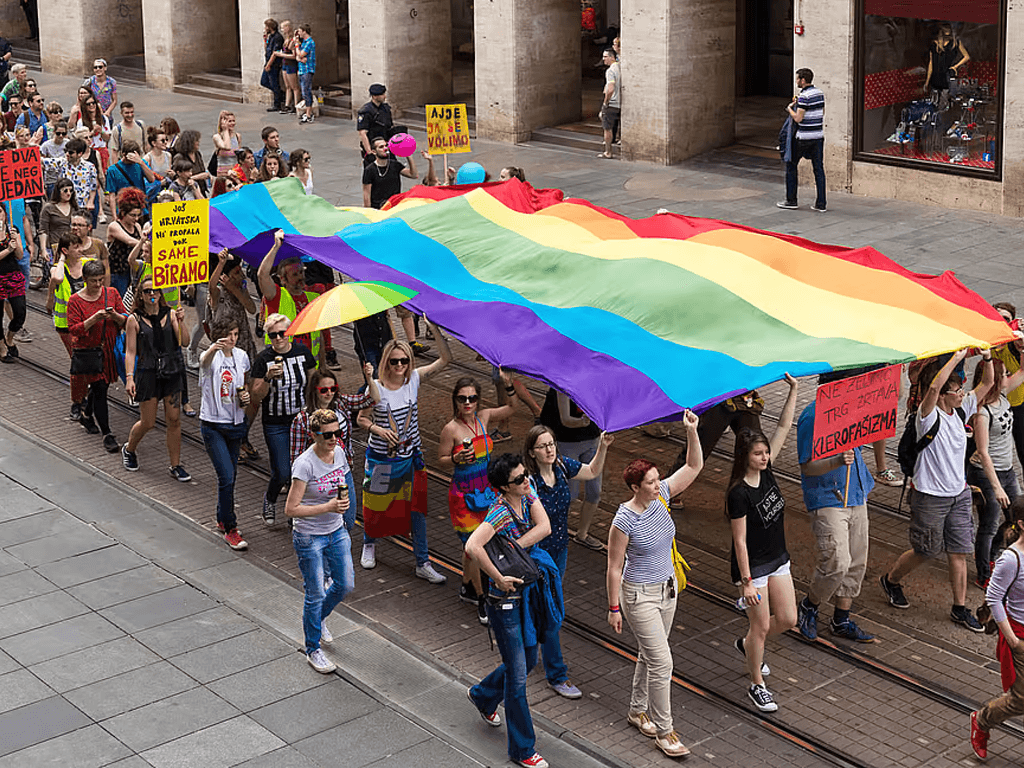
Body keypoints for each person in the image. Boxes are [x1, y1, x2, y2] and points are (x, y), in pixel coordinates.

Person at [606, 413, 701, 759]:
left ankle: (636, 710)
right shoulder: (624, 520)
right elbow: (614, 566)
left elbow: (693, 467)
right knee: (663, 663)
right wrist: (614, 606)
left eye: (658, 479)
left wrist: (691, 432)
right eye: (650, 482)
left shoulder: (662, 497)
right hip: (639, 596)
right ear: (635, 487)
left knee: (650, 656)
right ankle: (665, 731)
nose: (658, 485)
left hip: (667, 590)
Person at [880, 350, 994, 631]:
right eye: (956, 390)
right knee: (926, 550)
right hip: (929, 495)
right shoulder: (927, 417)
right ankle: (891, 580)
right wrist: (956, 357)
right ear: (942, 395)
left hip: (959, 494)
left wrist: (988, 359)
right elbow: (931, 387)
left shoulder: (960, 411)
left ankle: (959, 607)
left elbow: (988, 384)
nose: (962, 394)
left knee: (959, 551)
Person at [465, 453, 559, 768]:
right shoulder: (500, 513)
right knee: (518, 674)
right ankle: (522, 749)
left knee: (528, 658)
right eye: (519, 479)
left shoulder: (527, 493)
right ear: (504, 488)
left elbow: (545, 526)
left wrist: (516, 549)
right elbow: (472, 546)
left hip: (526, 593)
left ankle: (482, 695)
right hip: (505, 601)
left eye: (525, 474)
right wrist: (498, 576)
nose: (526, 481)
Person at [727, 374, 799, 713]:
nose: (765, 457)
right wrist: (745, 583)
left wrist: (794, 391)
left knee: (787, 619)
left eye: (766, 453)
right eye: (758, 454)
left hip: (777, 558)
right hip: (753, 567)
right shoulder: (739, 493)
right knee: (762, 625)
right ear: (745, 457)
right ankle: (757, 683)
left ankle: (747, 645)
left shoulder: (768, 473)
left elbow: (784, 428)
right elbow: (739, 541)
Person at [525, 424, 612, 698]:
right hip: (537, 554)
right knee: (551, 614)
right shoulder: (528, 481)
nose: (550, 449)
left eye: (551, 444)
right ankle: (557, 674)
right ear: (532, 452)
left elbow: (592, 471)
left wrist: (604, 447)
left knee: (544, 608)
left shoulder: (562, 466)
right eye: (543, 446)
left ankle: (529, 649)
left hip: (559, 551)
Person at [356, 331, 451, 579]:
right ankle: (369, 543)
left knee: (417, 511)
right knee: (376, 504)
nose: (399, 366)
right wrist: (379, 429)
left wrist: (436, 329)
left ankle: (423, 562)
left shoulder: (414, 380)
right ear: (385, 362)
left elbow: (445, 359)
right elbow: (361, 418)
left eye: (404, 361)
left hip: (410, 459)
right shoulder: (375, 388)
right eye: (394, 361)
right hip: (381, 459)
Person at [795, 395, 876, 643]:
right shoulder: (812, 417)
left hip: (857, 492)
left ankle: (841, 618)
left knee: (856, 561)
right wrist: (837, 461)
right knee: (837, 561)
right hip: (828, 497)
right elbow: (807, 465)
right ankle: (810, 605)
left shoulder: (855, 408)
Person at [438, 374, 519, 624]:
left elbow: (513, 408)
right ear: (455, 400)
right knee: (473, 548)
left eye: (472, 398)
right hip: (464, 495)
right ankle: (482, 598)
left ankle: (466, 585)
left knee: (477, 544)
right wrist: (455, 460)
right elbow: (439, 459)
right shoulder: (450, 429)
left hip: (488, 491)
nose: (468, 403)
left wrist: (508, 382)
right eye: (462, 399)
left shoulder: (483, 417)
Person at [285, 408, 355, 674]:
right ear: (313, 435)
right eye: (327, 435)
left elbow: (345, 483)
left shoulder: (339, 453)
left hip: (336, 530)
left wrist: (346, 511)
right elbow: (291, 509)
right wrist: (327, 507)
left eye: (337, 432)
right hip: (309, 535)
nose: (334, 438)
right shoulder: (304, 464)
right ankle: (313, 648)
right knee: (314, 593)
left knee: (345, 584)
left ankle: (319, 618)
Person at [290, 366, 380, 530]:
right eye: (324, 390)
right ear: (314, 391)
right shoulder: (303, 419)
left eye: (333, 389)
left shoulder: (341, 403)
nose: (329, 393)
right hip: (318, 477)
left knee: (349, 519)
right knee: (326, 522)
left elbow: (372, 399)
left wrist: (369, 378)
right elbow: (296, 457)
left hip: (343, 471)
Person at [251, 312, 317, 526]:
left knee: (300, 470)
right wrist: (268, 378)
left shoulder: (302, 352)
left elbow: (313, 381)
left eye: (282, 334)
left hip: (300, 420)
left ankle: (293, 511)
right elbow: (256, 395)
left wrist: (313, 409)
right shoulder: (263, 359)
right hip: (275, 422)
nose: (278, 339)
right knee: (282, 470)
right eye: (273, 336)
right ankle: (270, 499)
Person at [121, 273, 190, 480]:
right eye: (147, 291)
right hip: (148, 372)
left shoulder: (170, 314)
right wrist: (130, 377)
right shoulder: (134, 320)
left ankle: (175, 465)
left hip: (171, 372)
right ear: (140, 295)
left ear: (161, 294)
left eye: (156, 290)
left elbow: (184, 342)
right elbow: (131, 352)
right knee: (148, 422)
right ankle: (130, 448)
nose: (152, 294)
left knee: (174, 419)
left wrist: (182, 322)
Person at [970, 497, 1024, 761]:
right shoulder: (1011, 559)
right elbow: (993, 598)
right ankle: (982, 721)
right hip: (1020, 635)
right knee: (1020, 700)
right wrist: (1012, 640)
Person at [968, 355, 1024, 586]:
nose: (1007, 378)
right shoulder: (981, 413)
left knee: (1016, 515)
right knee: (989, 523)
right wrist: (996, 486)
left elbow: (1023, 370)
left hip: (1007, 469)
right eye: (1002, 375)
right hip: (986, 473)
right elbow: (983, 452)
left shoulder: (1002, 395)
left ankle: (992, 554)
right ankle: (983, 573)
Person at [198, 317, 252, 550]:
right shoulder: (212, 357)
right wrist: (213, 347)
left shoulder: (241, 356)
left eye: (236, 334)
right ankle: (231, 528)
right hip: (213, 424)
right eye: (228, 334)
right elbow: (203, 361)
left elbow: (244, 385)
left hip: (235, 423)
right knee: (226, 477)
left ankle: (222, 516)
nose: (232, 339)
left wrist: (246, 397)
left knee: (230, 477)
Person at [66, 260, 125, 451]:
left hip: (109, 351)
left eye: (101, 280)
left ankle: (86, 415)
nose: (98, 285)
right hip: (90, 352)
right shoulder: (75, 301)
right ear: (85, 279)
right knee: (100, 389)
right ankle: (107, 433)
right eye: (94, 281)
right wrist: (93, 319)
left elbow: (125, 319)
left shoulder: (112, 293)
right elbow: (74, 329)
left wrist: (114, 316)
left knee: (102, 386)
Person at [539, 389, 603, 549]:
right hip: (567, 443)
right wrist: (585, 420)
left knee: (595, 491)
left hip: (592, 440)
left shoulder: (596, 381)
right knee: (570, 493)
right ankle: (551, 530)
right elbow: (566, 420)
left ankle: (582, 533)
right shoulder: (561, 386)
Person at [778, 68, 826, 213]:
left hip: (803, 137)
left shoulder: (804, 97)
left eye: (798, 79)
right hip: (818, 136)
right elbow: (821, 112)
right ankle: (821, 203)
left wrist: (790, 109)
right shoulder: (819, 93)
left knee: (791, 166)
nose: (797, 81)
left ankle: (791, 200)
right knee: (818, 169)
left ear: (803, 80)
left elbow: (798, 118)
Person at [105, 188, 145, 297]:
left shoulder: (137, 226)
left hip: (133, 271)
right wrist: (144, 243)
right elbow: (129, 241)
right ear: (123, 213)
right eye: (132, 215)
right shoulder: (114, 226)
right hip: (117, 273)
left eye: (138, 215)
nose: (136, 218)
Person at [105, 140, 156, 220]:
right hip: (124, 211)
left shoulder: (140, 164)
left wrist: (141, 163)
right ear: (123, 154)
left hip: (141, 210)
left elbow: (151, 179)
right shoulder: (112, 170)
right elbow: (112, 195)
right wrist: (114, 216)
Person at [362, 136, 417, 210]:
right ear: (374, 152)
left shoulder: (395, 165)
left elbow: (413, 175)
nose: (385, 148)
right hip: (379, 208)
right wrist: (368, 212)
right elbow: (366, 194)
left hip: (395, 206)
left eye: (386, 145)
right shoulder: (370, 170)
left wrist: (408, 156)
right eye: (381, 147)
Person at [0, 207, 25, 364]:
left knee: (20, 311)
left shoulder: (12, 230)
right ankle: (2, 347)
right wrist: (8, 249)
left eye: (0, 212)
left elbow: (20, 255)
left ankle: (9, 338)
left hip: (13, 276)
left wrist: (15, 244)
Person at [925, 22, 969, 111]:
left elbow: (967, 56)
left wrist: (955, 66)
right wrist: (927, 82)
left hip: (947, 77)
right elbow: (931, 64)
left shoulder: (955, 43)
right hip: (936, 78)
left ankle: (942, 121)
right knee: (933, 105)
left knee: (943, 106)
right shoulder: (935, 45)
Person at [357, 84, 402, 162]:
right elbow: (363, 133)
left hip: (386, 144)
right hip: (374, 146)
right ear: (374, 96)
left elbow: (389, 125)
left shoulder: (385, 108)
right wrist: (369, 152)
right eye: (382, 94)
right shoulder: (366, 111)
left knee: (392, 166)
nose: (384, 96)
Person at [38, 179, 78, 262]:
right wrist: (43, 249)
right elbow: (43, 230)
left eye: (71, 191)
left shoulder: (75, 207)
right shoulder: (49, 208)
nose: (68, 193)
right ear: (58, 192)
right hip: (55, 246)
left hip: (72, 247)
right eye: (65, 191)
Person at [71, 211, 108, 283]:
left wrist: (106, 291)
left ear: (89, 227)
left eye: (80, 225)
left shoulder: (98, 244)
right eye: (73, 225)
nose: (75, 228)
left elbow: (106, 270)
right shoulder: (64, 244)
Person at [171, 130, 211, 196]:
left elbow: (203, 170)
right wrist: (196, 177)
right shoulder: (179, 157)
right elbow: (176, 177)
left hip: (200, 189)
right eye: (196, 140)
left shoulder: (197, 154)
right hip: (186, 191)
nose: (198, 142)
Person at [597, 48, 620, 159]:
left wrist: (606, 102)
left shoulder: (610, 71)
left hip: (612, 103)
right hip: (620, 102)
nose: (603, 59)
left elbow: (610, 88)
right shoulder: (620, 67)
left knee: (607, 128)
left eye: (605, 56)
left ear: (612, 57)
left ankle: (608, 151)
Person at [273, 20, 300, 114]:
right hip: (285, 64)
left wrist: (281, 55)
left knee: (294, 87)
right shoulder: (286, 39)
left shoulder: (293, 40)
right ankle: (287, 105)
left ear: (287, 27)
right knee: (287, 86)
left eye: (283, 28)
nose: (282, 30)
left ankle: (296, 105)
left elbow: (294, 56)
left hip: (291, 64)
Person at [261, 18, 285, 112]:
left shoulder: (278, 37)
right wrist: (265, 40)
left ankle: (277, 103)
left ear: (270, 27)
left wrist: (269, 64)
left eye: (266, 26)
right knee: (264, 81)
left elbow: (275, 52)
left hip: (273, 64)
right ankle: (281, 94)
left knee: (274, 83)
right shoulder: (270, 37)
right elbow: (267, 48)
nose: (265, 28)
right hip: (267, 61)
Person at [40, 120, 69, 195]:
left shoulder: (68, 143)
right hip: (51, 180)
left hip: (65, 180)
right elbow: (40, 162)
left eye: (64, 134)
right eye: (58, 133)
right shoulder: (46, 145)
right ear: (54, 132)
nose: (61, 136)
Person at [295, 23, 316, 124]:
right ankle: (307, 112)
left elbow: (300, 54)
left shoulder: (309, 43)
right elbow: (297, 56)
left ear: (304, 31)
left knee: (306, 90)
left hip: (307, 69)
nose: (298, 33)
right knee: (304, 91)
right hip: (302, 69)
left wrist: (297, 47)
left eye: (299, 31)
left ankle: (309, 113)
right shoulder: (303, 42)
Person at [212, 110, 241, 177]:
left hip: (235, 171)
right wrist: (225, 130)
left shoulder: (237, 136)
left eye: (233, 121)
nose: (232, 123)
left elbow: (239, 154)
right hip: (223, 172)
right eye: (229, 121)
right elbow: (227, 147)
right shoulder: (217, 137)